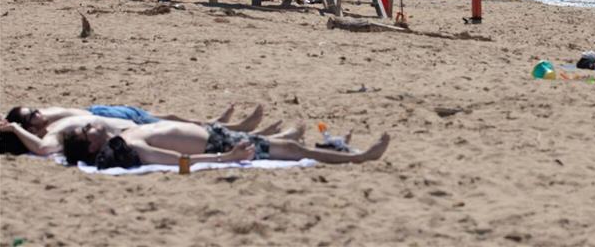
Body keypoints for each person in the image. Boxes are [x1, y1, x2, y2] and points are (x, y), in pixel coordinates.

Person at [62, 119, 390, 169]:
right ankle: (359, 158)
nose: (91, 126)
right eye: (86, 130)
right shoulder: (125, 145)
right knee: (293, 152)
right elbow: (174, 159)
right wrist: (225, 158)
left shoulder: (123, 131)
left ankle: (338, 149)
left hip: (217, 136)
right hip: (216, 147)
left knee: (286, 145)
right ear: (92, 147)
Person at [0, 104, 269, 156]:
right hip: (115, 122)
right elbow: (43, 148)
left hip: (104, 112)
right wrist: (13, 128)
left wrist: (11, 124)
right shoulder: (50, 135)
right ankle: (231, 128)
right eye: (32, 116)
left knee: (171, 118)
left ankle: (226, 125)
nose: (39, 113)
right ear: (29, 129)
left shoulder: (48, 123)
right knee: (177, 127)